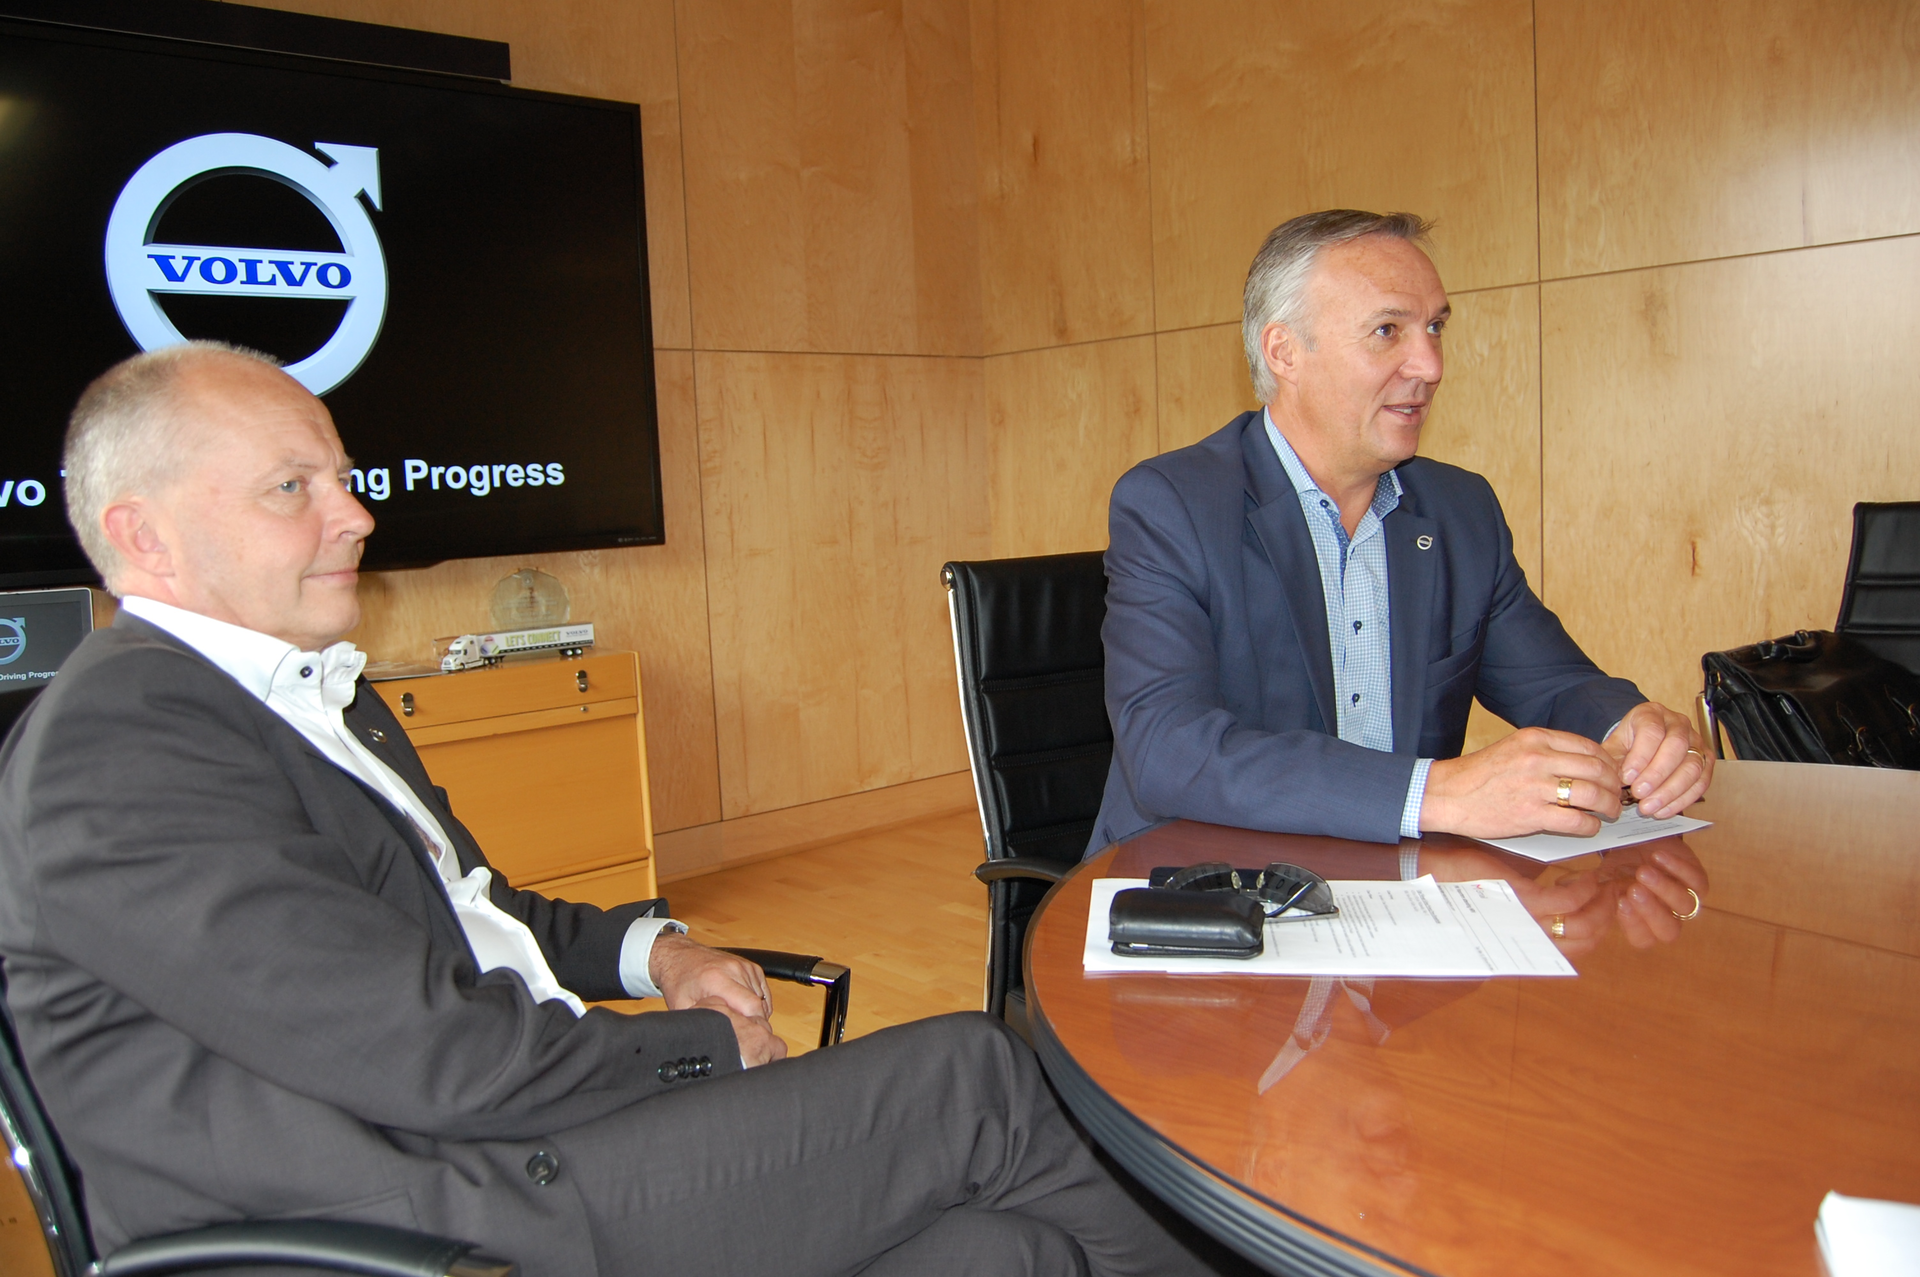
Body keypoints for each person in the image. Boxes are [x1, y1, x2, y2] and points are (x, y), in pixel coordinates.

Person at [0, 343, 1237, 1277]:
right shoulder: (124, 743)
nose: (357, 513)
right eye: (292, 486)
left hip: (486, 1139)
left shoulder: (300, 693)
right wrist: (696, 1050)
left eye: (343, 474)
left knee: (1005, 1250)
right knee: (971, 1080)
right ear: (141, 538)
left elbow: (467, 909)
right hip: (420, 1214)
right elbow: (436, 1055)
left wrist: (662, 950)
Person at [1092, 209, 1711, 935]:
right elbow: (1169, 747)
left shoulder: (1459, 510)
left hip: (1399, 909)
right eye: (1389, 330)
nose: (1431, 366)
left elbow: (1553, 681)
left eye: (1436, 327)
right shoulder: (1173, 505)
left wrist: (1632, 727)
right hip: (1212, 904)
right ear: (1284, 352)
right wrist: (1433, 792)